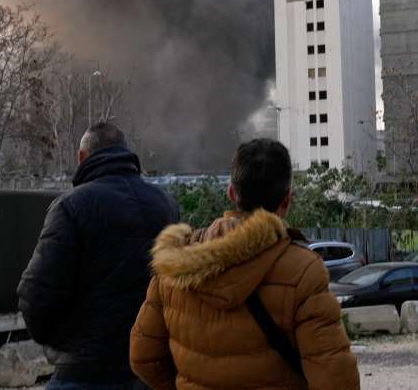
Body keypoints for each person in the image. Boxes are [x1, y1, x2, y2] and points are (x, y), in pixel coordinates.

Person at [129, 139, 358, 389]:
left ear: (230, 193)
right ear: (287, 200)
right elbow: (335, 379)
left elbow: (143, 357)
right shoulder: (302, 271)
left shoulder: (174, 265)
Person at [18, 122, 179, 390]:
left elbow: (35, 295)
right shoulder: (166, 203)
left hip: (85, 370)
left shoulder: (71, 206)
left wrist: (60, 344)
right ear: (127, 153)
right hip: (151, 367)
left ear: (82, 157)